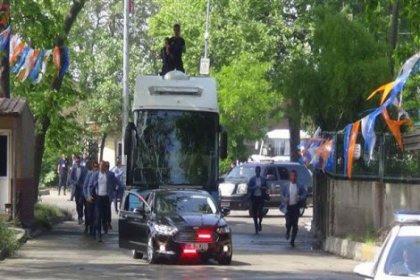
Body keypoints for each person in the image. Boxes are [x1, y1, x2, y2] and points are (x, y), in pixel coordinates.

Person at [88, 161, 122, 242]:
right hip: (97, 198)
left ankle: (98, 228)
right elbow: (90, 185)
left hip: (106, 198)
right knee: (98, 216)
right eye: (100, 166)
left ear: (105, 167)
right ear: (99, 167)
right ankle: (99, 234)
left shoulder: (110, 174)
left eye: (103, 166)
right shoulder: (95, 175)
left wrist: (117, 190)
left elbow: (118, 183)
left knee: (104, 216)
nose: (101, 167)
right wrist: (89, 195)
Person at [280, 170, 307, 247]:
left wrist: (300, 197)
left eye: (295, 176)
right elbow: (281, 195)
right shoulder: (286, 186)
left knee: (295, 224)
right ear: (290, 177)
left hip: (296, 207)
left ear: (296, 177)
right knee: (288, 223)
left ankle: (292, 240)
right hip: (288, 207)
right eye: (292, 176)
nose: (293, 177)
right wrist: (285, 199)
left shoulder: (299, 186)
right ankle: (288, 231)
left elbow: (305, 194)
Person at [247, 166, 268, 235]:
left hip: (261, 197)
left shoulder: (263, 179)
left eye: (259, 171)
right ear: (255, 171)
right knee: (254, 212)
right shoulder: (252, 179)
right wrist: (254, 187)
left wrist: (262, 187)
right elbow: (249, 187)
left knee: (260, 211)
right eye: (257, 171)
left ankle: (260, 222)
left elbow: (266, 187)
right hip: (254, 198)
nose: (258, 172)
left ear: (260, 171)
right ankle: (256, 227)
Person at [70, 156, 88, 225]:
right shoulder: (73, 169)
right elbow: (70, 179)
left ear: (80, 162)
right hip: (76, 189)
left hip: (82, 189)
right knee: (78, 204)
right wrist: (75, 183)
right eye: (76, 162)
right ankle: (79, 216)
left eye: (78, 161)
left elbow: (86, 178)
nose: (77, 163)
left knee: (81, 203)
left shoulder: (84, 169)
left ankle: (81, 217)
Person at [82, 161, 96, 235]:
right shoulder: (89, 174)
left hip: (97, 198)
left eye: (97, 167)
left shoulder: (100, 175)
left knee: (96, 214)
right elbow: (85, 187)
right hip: (89, 198)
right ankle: (87, 226)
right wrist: (87, 197)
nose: (95, 168)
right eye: (94, 167)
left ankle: (93, 228)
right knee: (88, 214)